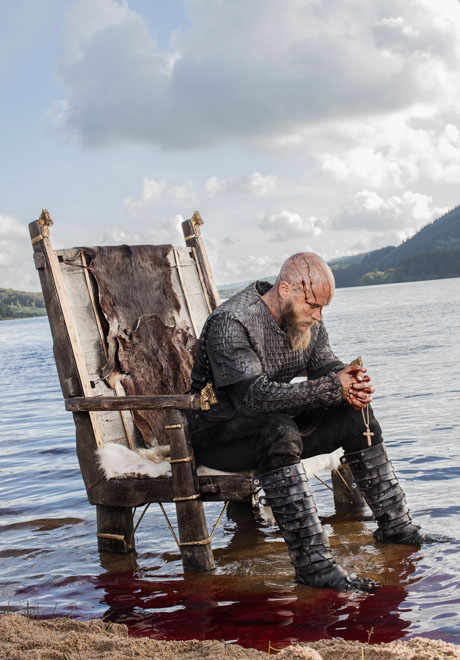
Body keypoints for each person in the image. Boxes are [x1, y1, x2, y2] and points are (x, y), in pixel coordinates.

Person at [187, 252, 444, 591]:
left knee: (355, 413)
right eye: (312, 305)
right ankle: (314, 567)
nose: (318, 315)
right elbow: (253, 399)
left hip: (271, 426)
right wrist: (332, 387)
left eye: (323, 307)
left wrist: (349, 382)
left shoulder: (306, 318)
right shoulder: (231, 321)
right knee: (277, 430)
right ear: (285, 290)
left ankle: (397, 528)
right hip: (217, 435)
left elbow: (325, 366)